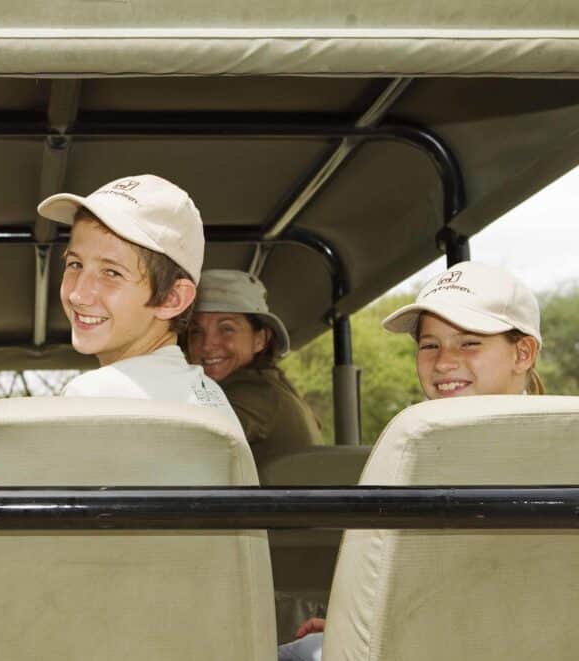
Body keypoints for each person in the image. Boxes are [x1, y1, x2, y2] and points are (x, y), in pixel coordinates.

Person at [278, 260, 543, 661]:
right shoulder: (431, 449)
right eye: (429, 345)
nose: (443, 361)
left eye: (469, 342)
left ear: (522, 352)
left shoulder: (416, 451)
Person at [36, 173, 240, 429]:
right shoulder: (213, 400)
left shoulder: (91, 397)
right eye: (75, 264)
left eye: (112, 273)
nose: (78, 294)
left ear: (172, 298)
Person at [187, 269, 322, 465]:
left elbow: (187, 444)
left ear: (260, 339)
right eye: (196, 332)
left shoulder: (253, 392)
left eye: (226, 329)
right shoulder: (271, 386)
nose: (207, 345)